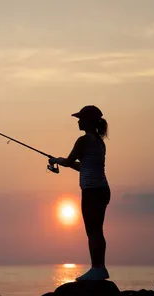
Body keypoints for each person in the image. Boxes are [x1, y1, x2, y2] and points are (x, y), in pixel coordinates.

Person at [49, 105, 111, 281]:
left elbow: (68, 161)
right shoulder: (99, 142)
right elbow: (84, 167)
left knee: (93, 231)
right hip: (102, 189)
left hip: (92, 192)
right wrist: (60, 162)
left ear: (88, 121)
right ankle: (100, 267)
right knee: (97, 230)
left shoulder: (83, 141)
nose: (78, 121)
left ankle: (96, 268)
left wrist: (56, 160)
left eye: (81, 118)